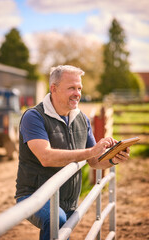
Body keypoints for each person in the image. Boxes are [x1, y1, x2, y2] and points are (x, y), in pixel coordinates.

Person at [15, 65, 130, 240]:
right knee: (56, 220)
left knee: (60, 231)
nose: (77, 93)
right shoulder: (33, 117)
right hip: (34, 195)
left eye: (79, 88)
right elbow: (45, 157)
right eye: (71, 88)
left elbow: (94, 162)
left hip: (68, 201)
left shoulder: (81, 119)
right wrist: (91, 151)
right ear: (53, 88)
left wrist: (113, 159)